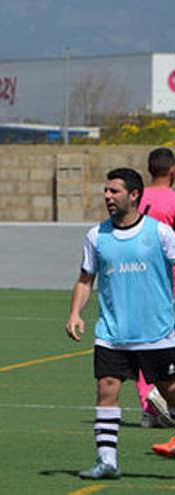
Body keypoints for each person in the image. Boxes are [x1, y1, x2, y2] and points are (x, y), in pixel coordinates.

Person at [66, 167, 175, 479]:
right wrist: (75, 313)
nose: (108, 197)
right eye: (106, 191)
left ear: (134, 195)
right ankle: (107, 462)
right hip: (112, 334)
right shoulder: (96, 235)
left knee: (171, 392)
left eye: (114, 191)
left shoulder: (160, 233)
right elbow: (86, 279)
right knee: (107, 388)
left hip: (158, 333)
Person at [135, 148, 175, 432]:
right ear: (172, 171)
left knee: (143, 343)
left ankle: (150, 406)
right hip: (168, 282)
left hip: (136, 280)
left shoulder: (135, 197)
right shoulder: (173, 200)